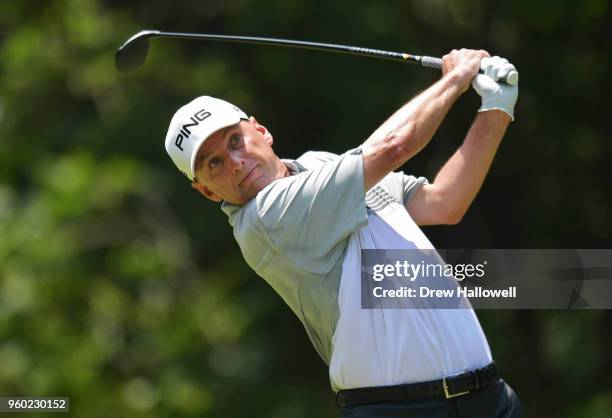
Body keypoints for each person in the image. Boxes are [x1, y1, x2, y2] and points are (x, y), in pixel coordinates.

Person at [163, 49, 523, 417]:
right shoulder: (264, 219)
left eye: (234, 141)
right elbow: (393, 147)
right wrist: (455, 79)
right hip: (397, 410)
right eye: (214, 163)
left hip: (489, 399)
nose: (236, 163)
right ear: (206, 190)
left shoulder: (320, 165)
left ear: (260, 130)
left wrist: (497, 106)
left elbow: (444, 202)